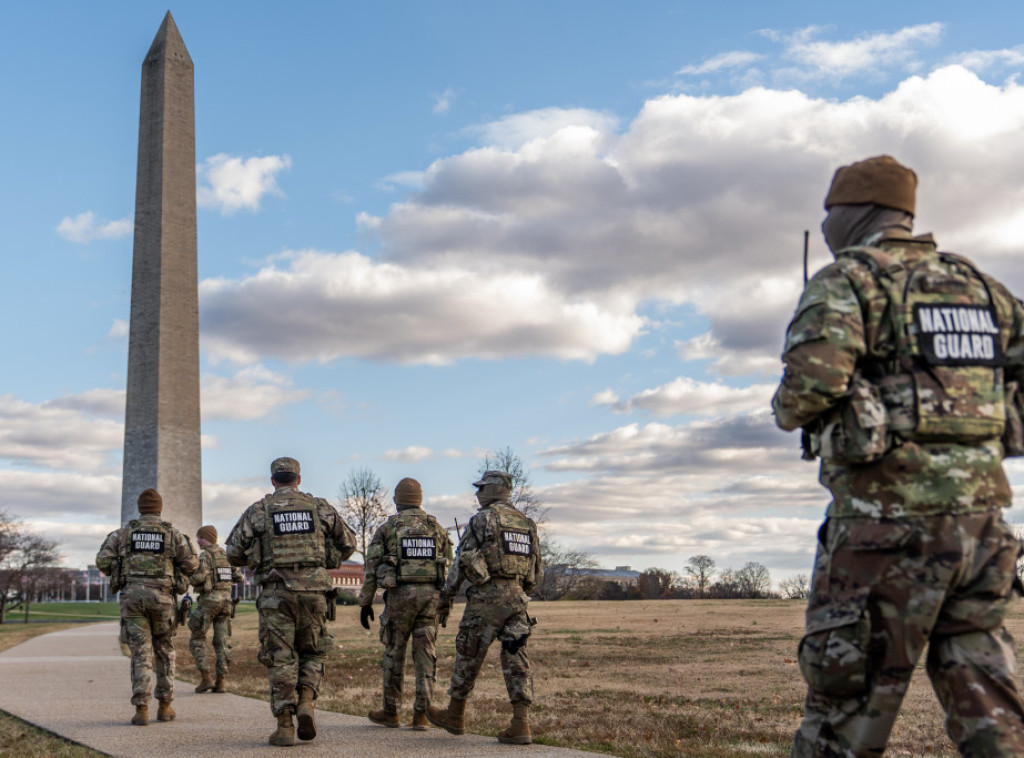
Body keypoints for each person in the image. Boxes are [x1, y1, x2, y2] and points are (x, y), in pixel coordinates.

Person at [772, 154, 1024, 757]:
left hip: (883, 531)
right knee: (987, 700)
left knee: (846, 706)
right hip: (982, 530)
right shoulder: (982, 288)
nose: (827, 227)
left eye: (830, 214)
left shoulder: (850, 280)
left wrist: (796, 409)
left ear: (851, 214)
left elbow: (808, 388)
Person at [225, 457, 356, 747]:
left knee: (279, 656)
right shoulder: (319, 507)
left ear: (273, 480)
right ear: (298, 479)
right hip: (314, 593)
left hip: (276, 593)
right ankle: (306, 700)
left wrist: (257, 560)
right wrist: (325, 560)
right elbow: (348, 542)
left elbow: (233, 552)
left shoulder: (259, 510)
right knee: (313, 651)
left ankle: (284, 726)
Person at [427, 470, 543, 745]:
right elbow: (536, 568)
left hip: (486, 598)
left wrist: (446, 597)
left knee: (468, 652)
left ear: (492, 490)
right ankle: (521, 723)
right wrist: (521, 592)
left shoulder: (483, 519)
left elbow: (462, 560)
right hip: (517, 598)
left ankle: (455, 715)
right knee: (517, 658)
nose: (477, 493)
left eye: (481, 488)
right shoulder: (527, 523)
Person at [96, 488, 198, 726]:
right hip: (162, 598)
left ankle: (141, 708)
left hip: (132, 598)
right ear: (159, 509)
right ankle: (165, 706)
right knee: (164, 651)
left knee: (140, 653)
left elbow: (102, 560)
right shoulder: (172, 534)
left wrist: (120, 568)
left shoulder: (122, 534)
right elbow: (192, 564)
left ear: (140, 509)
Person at [358, 477, 453, 730]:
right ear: (420, 499)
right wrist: (446, 603)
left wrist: (366, 601)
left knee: (394, 652)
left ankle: (391, 712)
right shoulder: (437, 528)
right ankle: (421, 715)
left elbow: (371, 567)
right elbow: (450, 569)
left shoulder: (388, 528)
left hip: (399, 598)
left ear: (397, 500)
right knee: (426, 655)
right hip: (430, 599)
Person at [188, 524, 241, 694]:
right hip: (226, 601)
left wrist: (189, 577)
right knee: (222, 642)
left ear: (208, 538)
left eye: (200, 537)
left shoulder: (205, 555)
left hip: (209, 601)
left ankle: (206, 678)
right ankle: (221, 682)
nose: (198, 540)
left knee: (197, 637)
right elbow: (238, 576)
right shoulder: (226, 555)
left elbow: (200, 577)